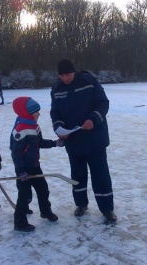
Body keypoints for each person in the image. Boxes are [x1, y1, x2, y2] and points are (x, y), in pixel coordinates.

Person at [50, 58, 117, 223]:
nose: (65, 78)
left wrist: (93, 119)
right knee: (77, 175)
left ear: (74, 71)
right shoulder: (56, 89)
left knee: (100, 176)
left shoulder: (89, 81)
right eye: (62, 75)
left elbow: (103, 103)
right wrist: (59, 128)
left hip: (95, 139)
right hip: (73, 141)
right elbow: (55, 113)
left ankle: (107, 209)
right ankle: (81, 204)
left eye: (68, 74)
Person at [10, 96, 63, 232]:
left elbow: (40, 143)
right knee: (25, 196)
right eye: (36, 111)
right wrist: (21, 171)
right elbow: (16, 153)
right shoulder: (20, 130)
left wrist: (54, 143)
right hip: (24, 169)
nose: (38, 114)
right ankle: (19, 222)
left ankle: (45, 211)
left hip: (35, 166)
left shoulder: (35, 127)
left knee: (43, 190)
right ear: (27, 113)